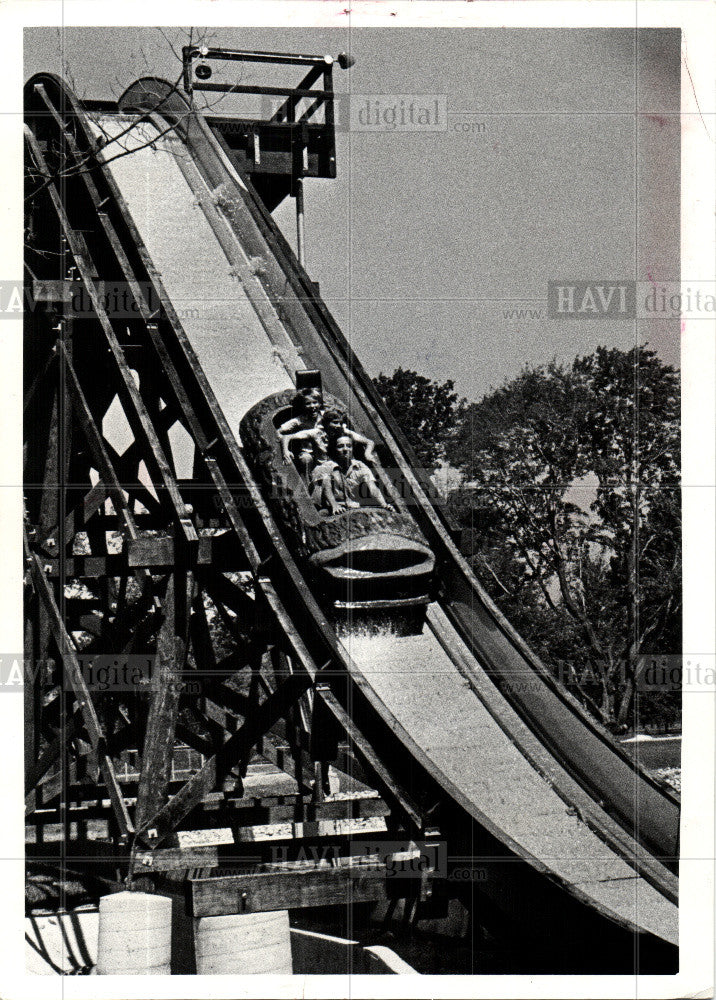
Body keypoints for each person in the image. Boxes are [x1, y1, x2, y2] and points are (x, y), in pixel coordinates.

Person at [316, 434, 388, 513]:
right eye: (340, 446)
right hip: (334, 507)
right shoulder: (327, 466)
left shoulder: (359, 466)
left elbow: (373, 488)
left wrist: (384, 505)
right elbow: (326, 486)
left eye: (349, 446)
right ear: (334, 450)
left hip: (354, 506)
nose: (345, 449)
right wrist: (335, 505)